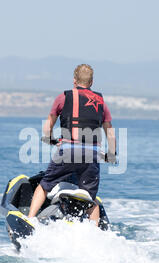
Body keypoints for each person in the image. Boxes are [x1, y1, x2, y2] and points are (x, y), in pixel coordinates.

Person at [28, 64, 116, 225]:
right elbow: (109, 131)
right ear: (91, 82)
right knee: (91, 199)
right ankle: (94, 233)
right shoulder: (101, 102)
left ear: (74, 80)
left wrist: (49, 139)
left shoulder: (64, 97)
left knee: (44, 186)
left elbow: (49, 123)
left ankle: (30, 219)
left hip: (68, 151)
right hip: (92, 154)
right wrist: (112, 154)